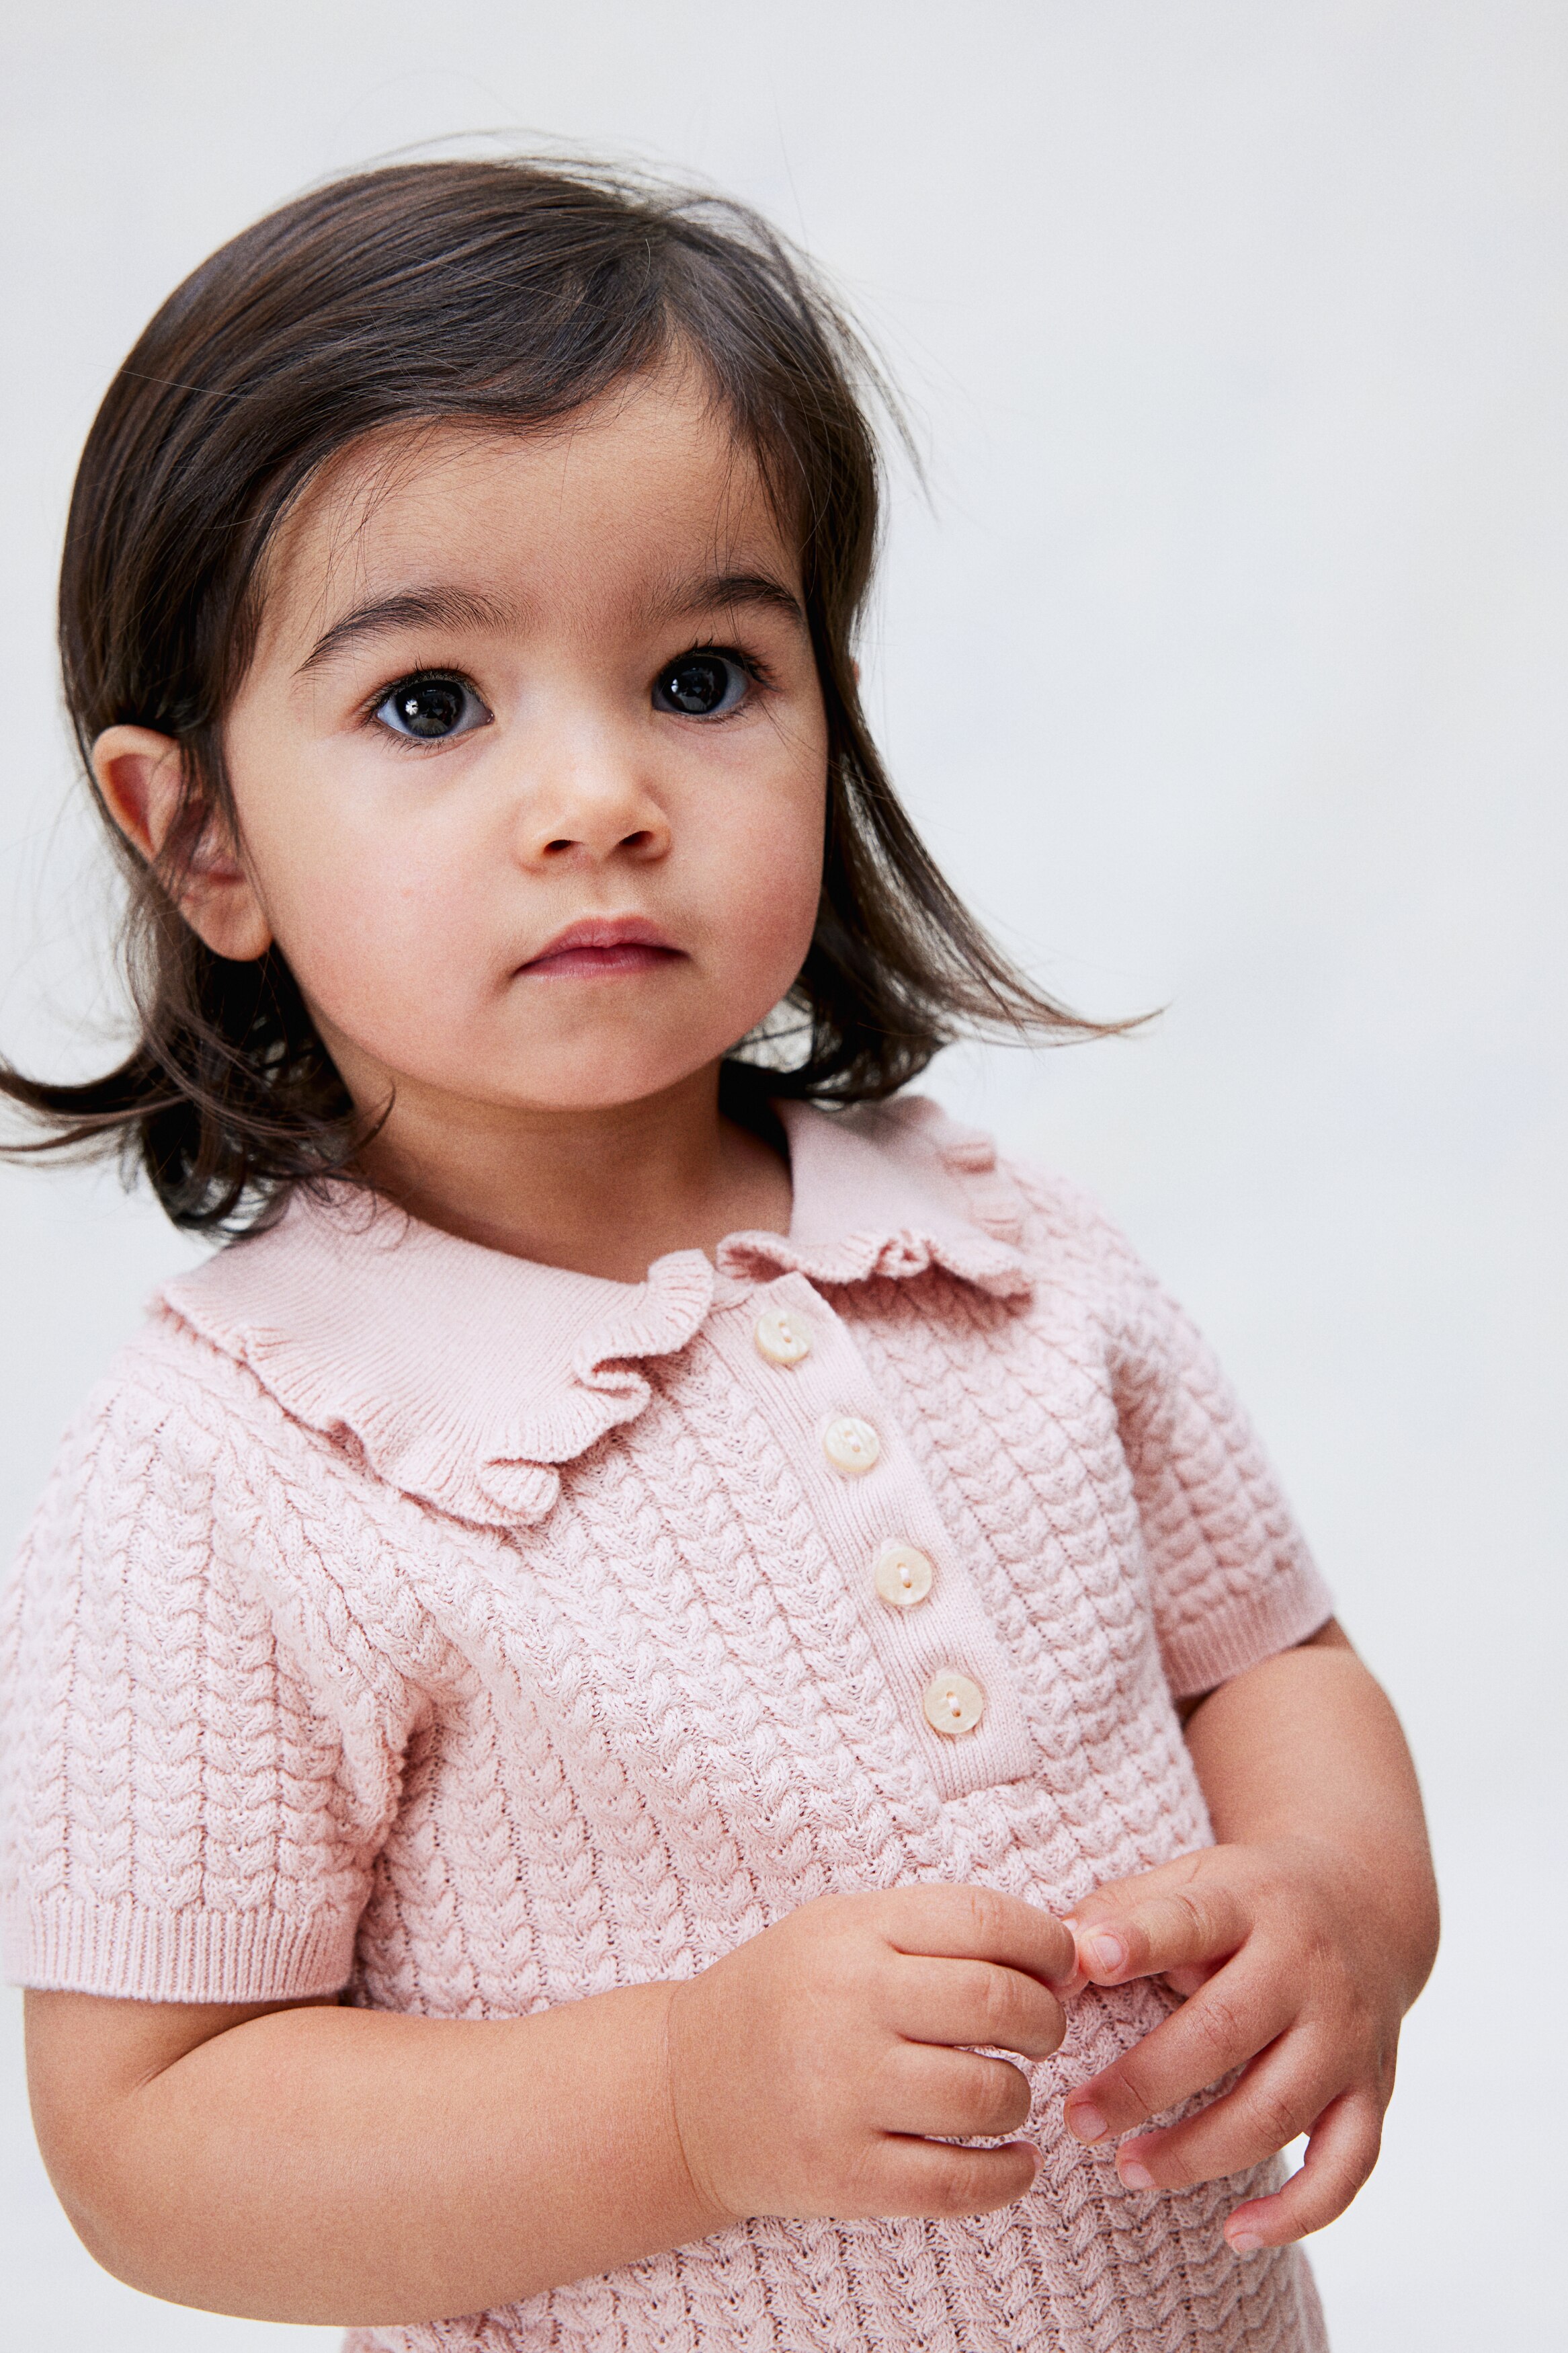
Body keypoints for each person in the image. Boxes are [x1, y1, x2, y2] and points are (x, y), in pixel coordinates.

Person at [0, 161, 1436, 2353]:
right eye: (431, 702)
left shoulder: (1004, 1259)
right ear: (199, 832)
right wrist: (680, 2097)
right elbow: (149, 2132)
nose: (600, 795)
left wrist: (1338, 1899)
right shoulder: (242, 1466)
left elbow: (1275, 1665)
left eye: (699, 674)